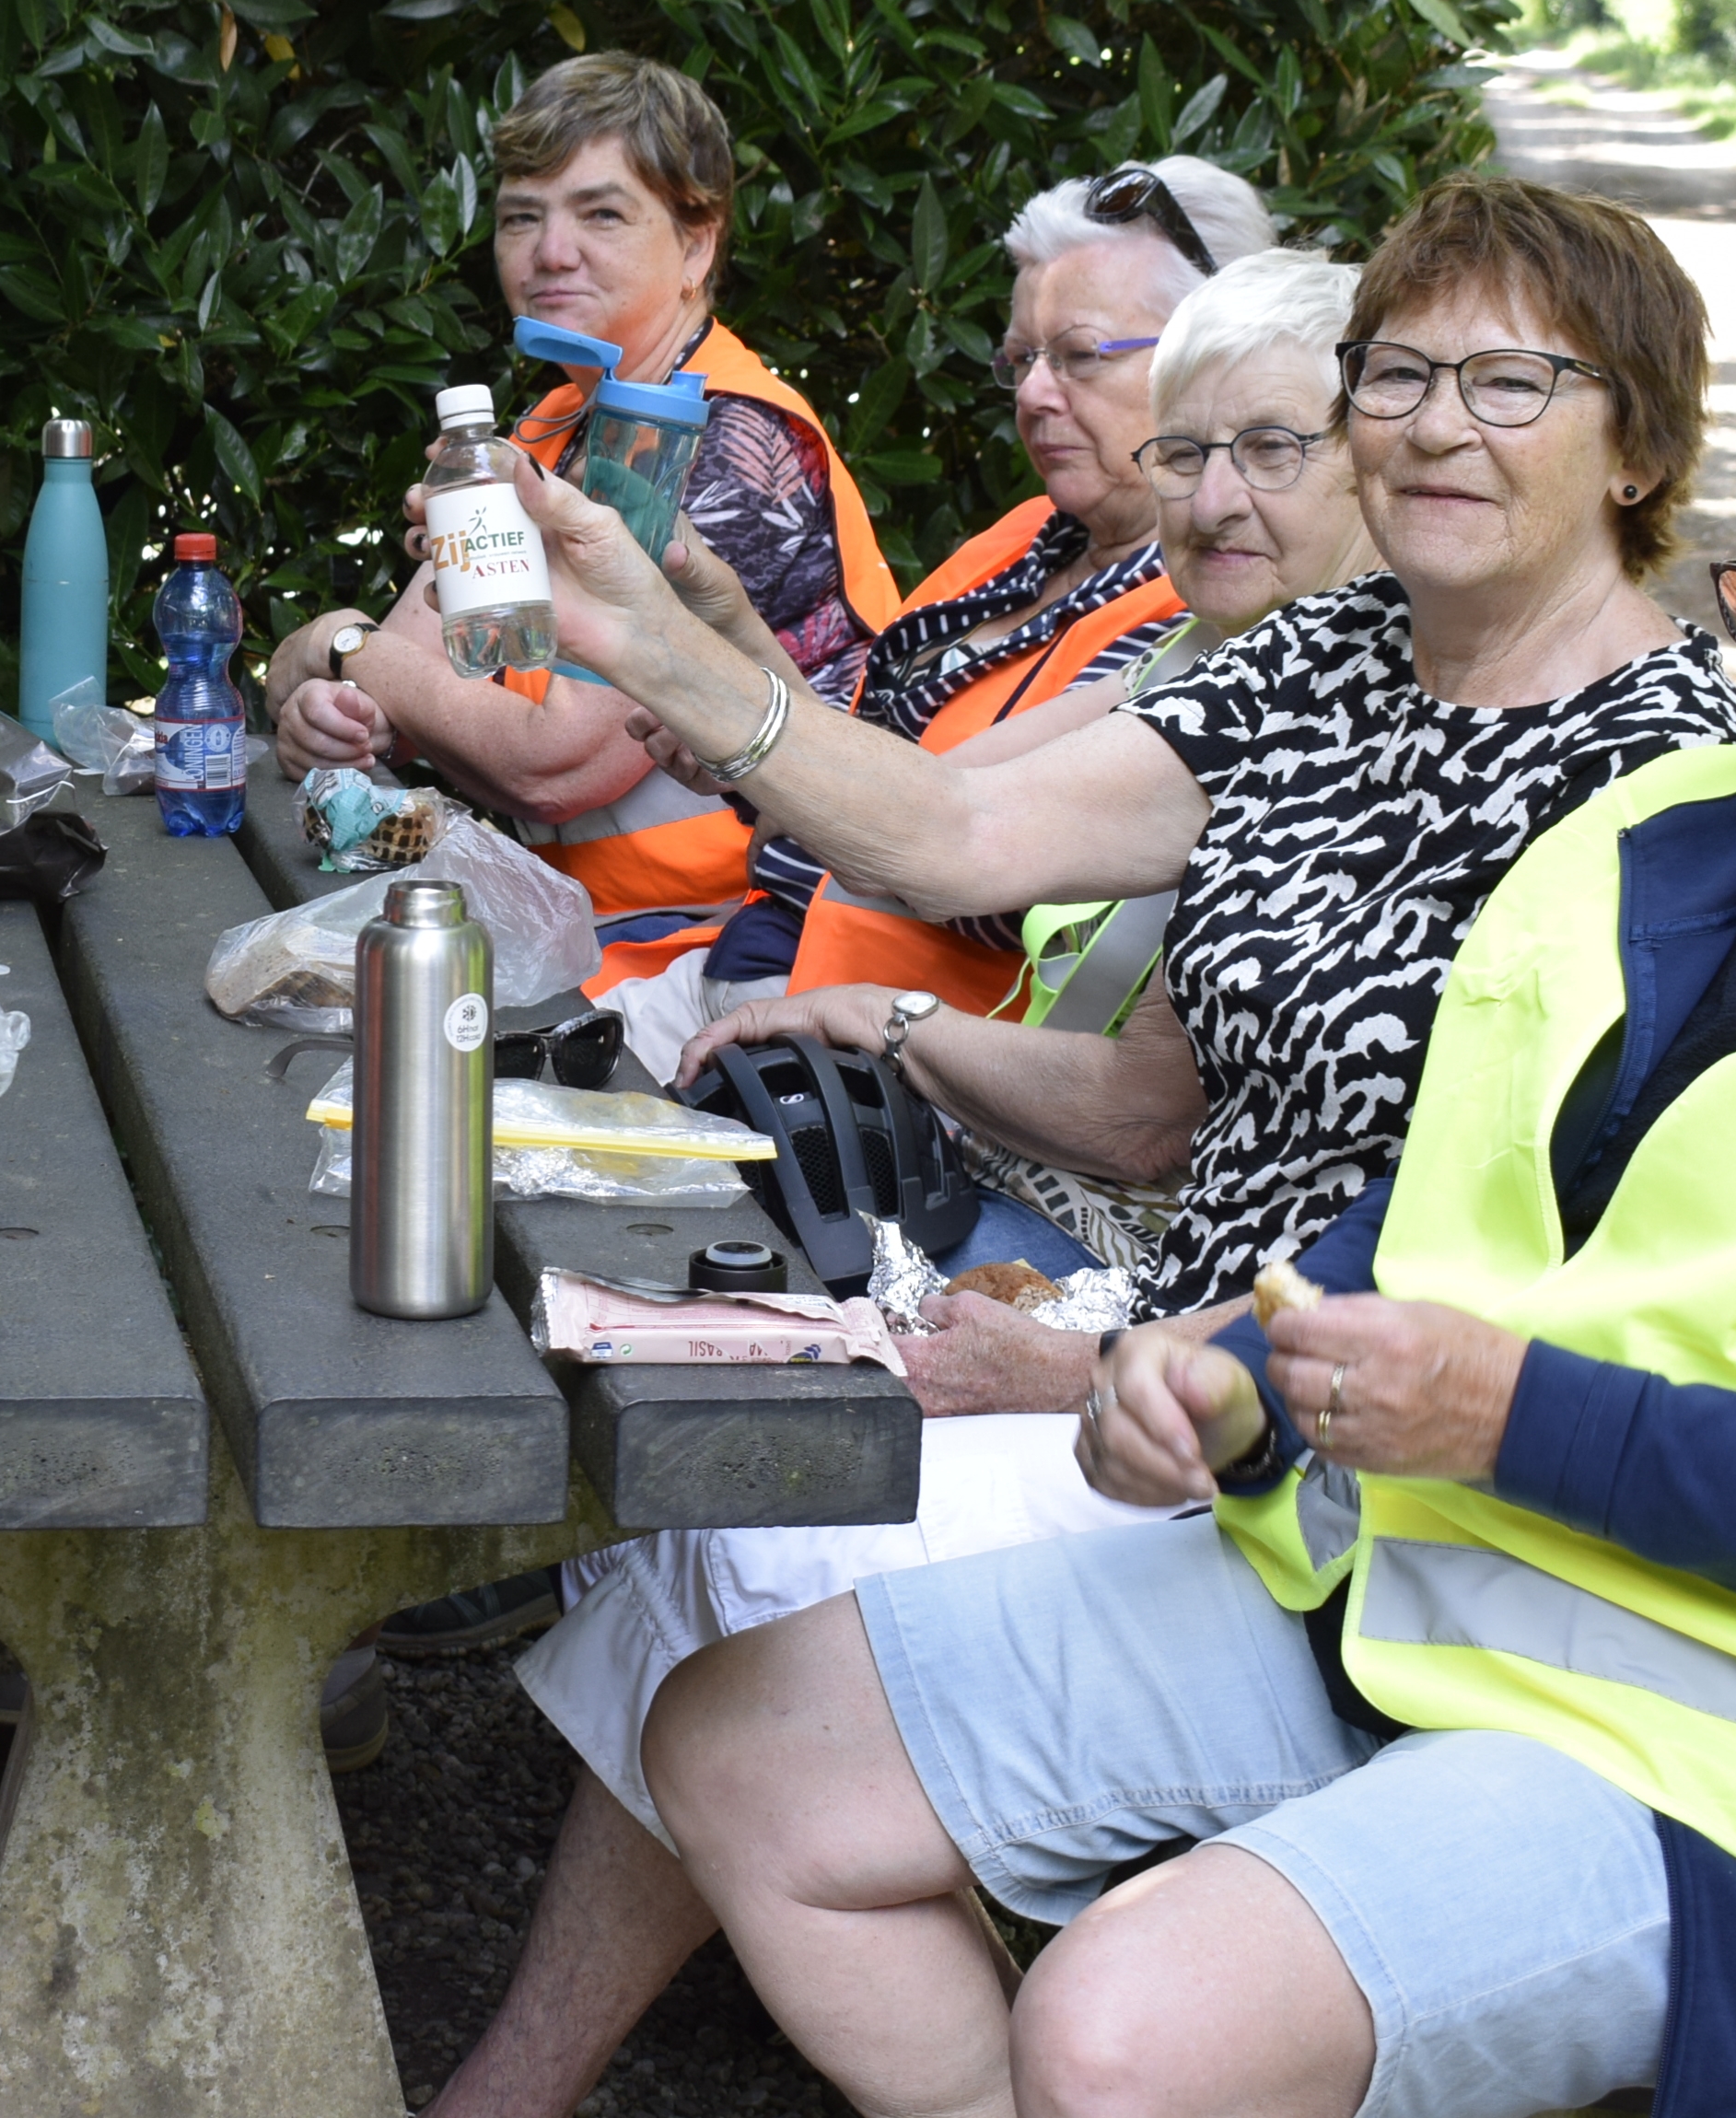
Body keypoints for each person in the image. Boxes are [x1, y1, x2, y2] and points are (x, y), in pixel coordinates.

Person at [647, 316, 1736, 2118]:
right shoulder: (1677, 833)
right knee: (747, 1755)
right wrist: (1237, 1371)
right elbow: (1445, 1217)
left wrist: (1509, 1420)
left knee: (1126, 2034)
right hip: (1434, 1588)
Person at [421, 179, 1736, 2118]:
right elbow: (958, 835)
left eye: (1509, 382)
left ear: (1634, 442)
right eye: (1397, 375)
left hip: (1355, 1458)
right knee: (729, 1602)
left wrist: (1143, 1350)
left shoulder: (1674, 779)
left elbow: (1569, 1249)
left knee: (756, 1560)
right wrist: (666, 653)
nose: (1434, 424)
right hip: (1177, 1374)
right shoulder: (1334, 663)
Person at [425, 249, 1381, 2117]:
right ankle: (557, 2064)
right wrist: (699, 649)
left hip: (1160, 1325)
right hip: (1094, 1272)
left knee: (762, 1518)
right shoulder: (1224, 660)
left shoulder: (1380, 717)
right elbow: (937, 806)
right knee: (719, 1494)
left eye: (1269, 447)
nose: (1205, 495)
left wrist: (883, 1026)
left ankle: (593, 2042)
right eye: (1185, 452)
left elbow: (1144, 1125)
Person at [588, 157, 1269, 1077]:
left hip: (882, 1055)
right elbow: (855, 765)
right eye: (1020, 360)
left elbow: (956, 853)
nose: (1031, 395)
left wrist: (702, 677)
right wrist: (733, 644)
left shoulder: (1214, 603)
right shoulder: (1028, 536)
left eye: (1075, 355)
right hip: (746, 962)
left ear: (1215, 359)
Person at [261, 53, 901, 921]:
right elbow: (391, 690)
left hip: (749, 946)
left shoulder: (732, 438)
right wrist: (324, 702)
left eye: (601, 213)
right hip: (588, 938)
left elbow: (552, 762)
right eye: (523, 218)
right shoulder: (550, 423)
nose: (550, 253)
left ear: (697, 243)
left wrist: (334, 643)